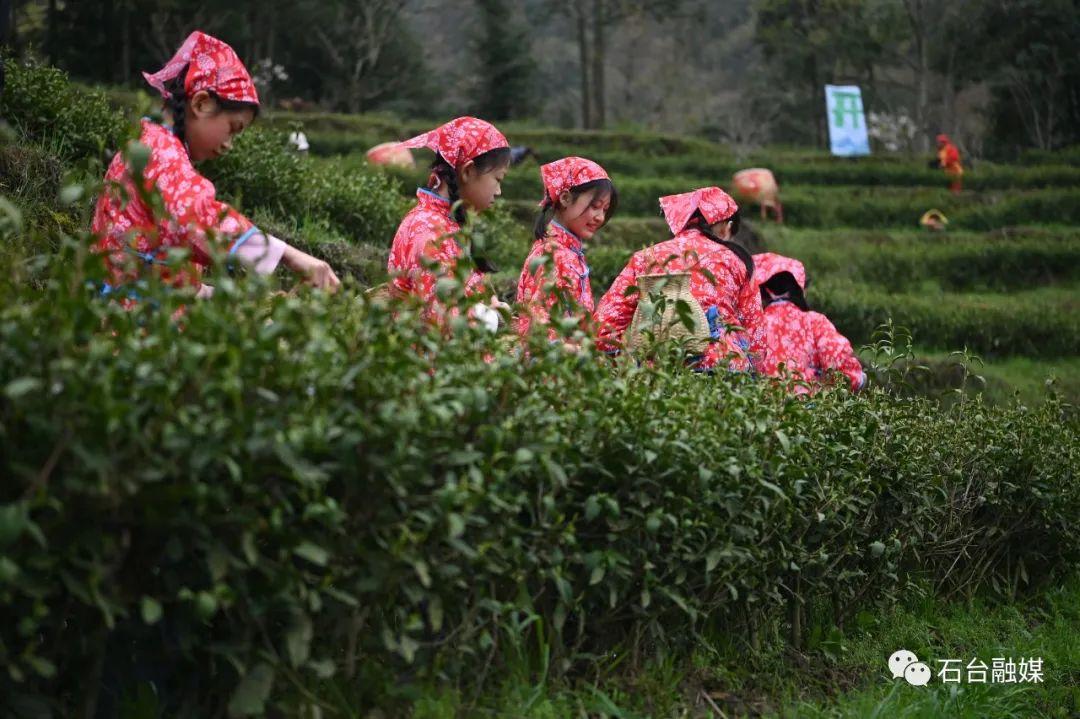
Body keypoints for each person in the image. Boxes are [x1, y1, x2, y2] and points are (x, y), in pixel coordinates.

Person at [91, 31, 339, 307]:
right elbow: (200, 221)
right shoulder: (160, 153)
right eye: (232, 129)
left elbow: (163, 272)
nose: (228, 145)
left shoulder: (148, 142)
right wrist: (290, 256)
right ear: (201, 103)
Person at [595, 187, 767, 372]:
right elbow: (755, 335)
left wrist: (620, 367)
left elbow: (605, 326)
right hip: (723, 369)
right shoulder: (736, 261)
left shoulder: (646, 257)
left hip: (662, 367)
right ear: (728, 227)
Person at [387, 117, 511, 327]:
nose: (498, 191)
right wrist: (494, 317)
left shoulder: (444, 223)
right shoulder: (430, 233)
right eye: (497, 179)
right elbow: (449, 323)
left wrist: (490, 304)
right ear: (468, 171)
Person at [516, 156, 617, 340]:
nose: (600, 217)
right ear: (565, 198)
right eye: (595, 206)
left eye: (605, 209)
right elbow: (543, 325)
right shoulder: (555, 255)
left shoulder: (564, 252)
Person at [753, 252, 864, 393]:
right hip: (806, 410)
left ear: (764, 291)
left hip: (761, 408)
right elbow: (847, 373)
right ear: (800, 289)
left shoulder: (754, 325)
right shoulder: (815, 322)